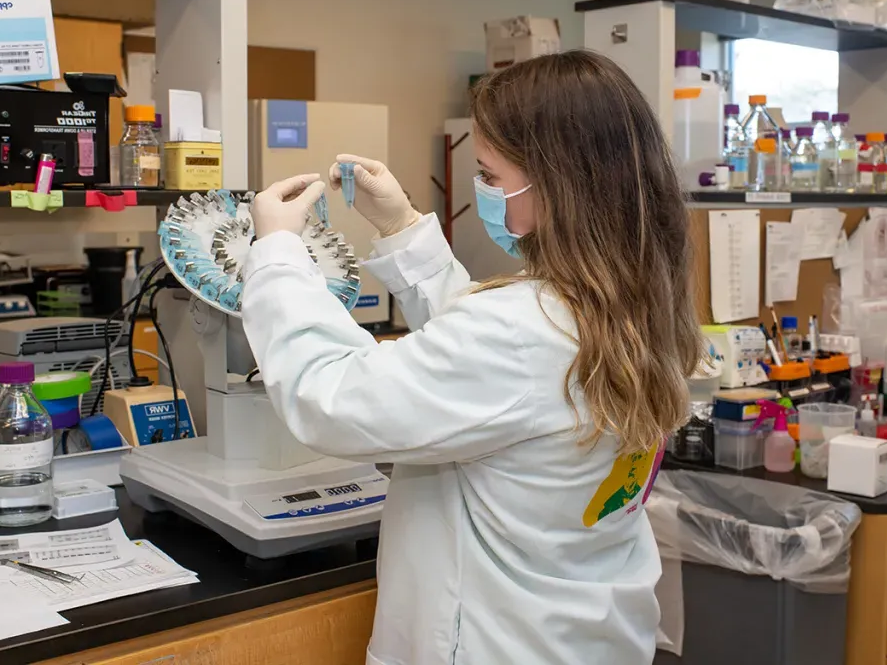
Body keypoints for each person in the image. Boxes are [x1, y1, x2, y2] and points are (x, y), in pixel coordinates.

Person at [243, 50, 700, 665]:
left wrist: (275, 254)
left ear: (558, 184)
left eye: (488, 173)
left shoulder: (521, 331)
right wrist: (404, 228)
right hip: (588, 636)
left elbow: (326, 397)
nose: (479, 188)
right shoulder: (639, 301)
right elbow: (495, 378)